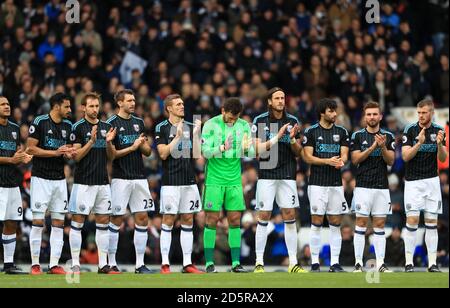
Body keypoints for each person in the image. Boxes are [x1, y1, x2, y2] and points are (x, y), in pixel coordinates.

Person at [252, 87, 306, 273]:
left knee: (290, 216)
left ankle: (293, 262)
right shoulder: (259, 121)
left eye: (283, 98)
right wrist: (277, 136)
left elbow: (299, 154)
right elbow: (256, 150)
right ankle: (259, 262)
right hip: (266, 174)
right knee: (264, 216)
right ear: (269, 101)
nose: (281, 101)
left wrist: (292, 140)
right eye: (277, 98)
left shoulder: (293, 121)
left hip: (288, 174)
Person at [201, 97, 253, 273]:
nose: (233, 121)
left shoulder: (244, 125)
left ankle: (236, 263)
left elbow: (250, 151)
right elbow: (205, 152)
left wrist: (250, 148)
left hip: (234, 180)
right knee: (212, 220)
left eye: (236, 118)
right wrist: (222, 147)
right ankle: (209, 263)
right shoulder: (209, 125)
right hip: (214, 179)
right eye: (230, 118)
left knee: (234, 220)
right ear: (223, 111)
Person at [68, 92, 117, 274]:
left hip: (103, 182)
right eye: (91, 106)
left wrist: (109, 143)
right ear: (83, 108)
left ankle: (102, 264)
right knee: (78, 222)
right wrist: (91, 142)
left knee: (103, 222)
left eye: (97, 106)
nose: (95, 109)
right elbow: (76, 157)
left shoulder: (107, 126)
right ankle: (75, 263)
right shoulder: (77, 128)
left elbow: (112, 157)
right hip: (83, 182)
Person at [106, 89, 154, 274]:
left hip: (139, 177)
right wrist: (132, 146)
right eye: (129, 101)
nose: (133, 103)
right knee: (116, 219)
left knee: (142, 218)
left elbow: (148, 152)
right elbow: (111, 156)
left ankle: (139, 264)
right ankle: (111, 262)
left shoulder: (139, 122)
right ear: (120, 103)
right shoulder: (111, 123)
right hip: (120, 178)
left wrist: (142, 145)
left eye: (134, 100)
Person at [26, 93, 74, 275]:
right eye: (67, 107)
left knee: (58, 223)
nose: (70, 110)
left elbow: (68, 150)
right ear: (56, 106)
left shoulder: (68, 126)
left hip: (59, 179)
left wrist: (68, 154)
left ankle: (54, 264)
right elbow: (30, 148)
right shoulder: (40, 121)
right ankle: (35, 264)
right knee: (38, 222)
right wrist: (55, 153)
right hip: (40, 178)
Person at [155, 94, 203, 274]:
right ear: (169, 108)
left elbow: (197, 155)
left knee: (188, 220)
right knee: (168, 220)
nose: (182, 106)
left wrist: (197, 135)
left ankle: (187, 263)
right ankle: (165, 263)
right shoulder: (161, 127)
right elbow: (162, 154)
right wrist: (177, 138)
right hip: (171, 182)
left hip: (189, 180)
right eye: (178, 104)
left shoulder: (190, 126)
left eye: (182, 103)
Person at [301, 98, 350, 273]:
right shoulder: (311, 132)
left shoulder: (342, 131)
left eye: (335, 111)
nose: (335, 114)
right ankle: (315, 262)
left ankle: (334, 263)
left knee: (336, 222)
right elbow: (307, 157)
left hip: (335, 183)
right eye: (331, 111)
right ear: (322, 113)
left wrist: (340, 161)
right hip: (317, 183)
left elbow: (345, 154)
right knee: (316, 222)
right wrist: (327, 161)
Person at [402, 98, 447, 273]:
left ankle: (432, 263)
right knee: (412, 221)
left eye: (424, 112)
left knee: (431, 223)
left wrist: (440, 145)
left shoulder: (439, 130)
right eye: (419, 112)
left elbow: (443, 159)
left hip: (432, 182)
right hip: (413, 182)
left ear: (432, 113)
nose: (421, 115)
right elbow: (405, 157)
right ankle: (408, 263)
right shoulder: (410, 130)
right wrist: (419, 143)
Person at [351, 101, 395, 273]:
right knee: (361, 223)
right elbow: (355, 160)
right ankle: (358, 263)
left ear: (380, 116)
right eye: (369, 114)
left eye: (375, 114)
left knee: (379, 225)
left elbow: (391, 161)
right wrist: (373, 147)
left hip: (382, 187)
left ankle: (381, 263)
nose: (371, 117)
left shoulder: (388, 136)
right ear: (365, 116)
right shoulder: (357, 136)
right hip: (363, 186)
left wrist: (383, 146)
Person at [0, 96, 32, 274]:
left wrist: (22, 158)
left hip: (12, 183)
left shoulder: (14, 128)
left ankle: (9, 264)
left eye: (8, 104)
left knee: (11, 222)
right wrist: (11, 159)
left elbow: (16, 154)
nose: (7, 106)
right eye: (3, 104)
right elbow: (10, 158)